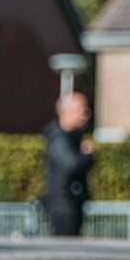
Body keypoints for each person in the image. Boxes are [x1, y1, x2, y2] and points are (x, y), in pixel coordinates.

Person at [43, 92, 96, 237]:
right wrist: (87, 155)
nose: (86, 116)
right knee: (66, 251)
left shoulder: (72, 138)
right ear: (69, 112)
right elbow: (71, 165)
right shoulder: (58, 139)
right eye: (83, 111)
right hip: (64, 207)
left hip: (72, 204)